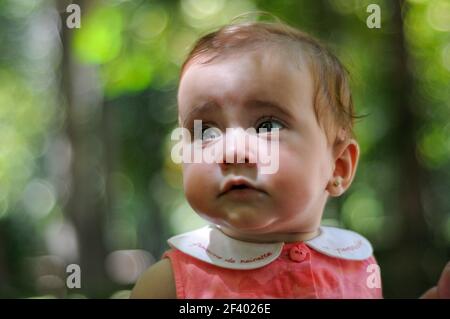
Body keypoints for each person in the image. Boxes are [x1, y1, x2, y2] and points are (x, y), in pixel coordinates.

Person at [130, 20, 450, 299]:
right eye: (207, 132)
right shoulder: (169, 285)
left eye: (267, 125)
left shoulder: (356, 266)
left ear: (338, 166)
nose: (231, 151)